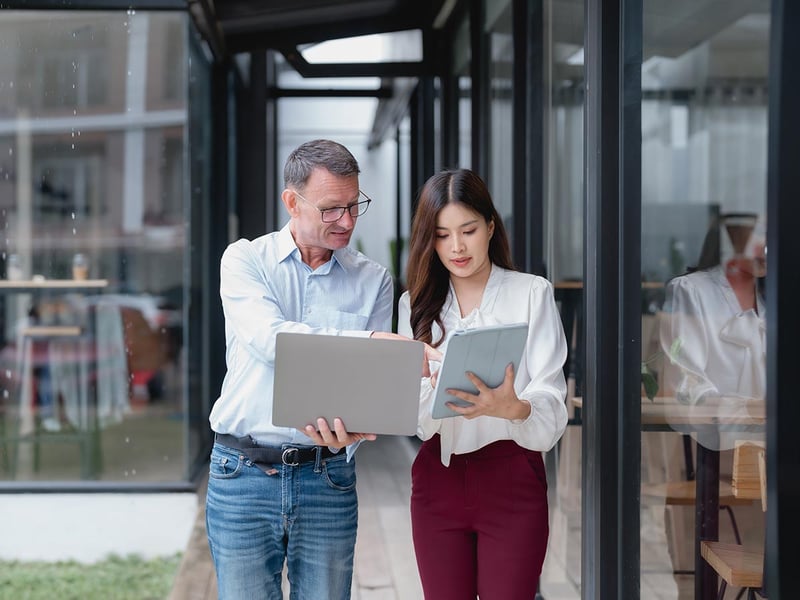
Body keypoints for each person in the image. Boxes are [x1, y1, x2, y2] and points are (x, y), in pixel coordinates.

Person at [206, 139, 393, 599]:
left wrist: (358, 427)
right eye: (332, 209)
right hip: (241, 476)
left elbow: (366, 386)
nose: (347, 221)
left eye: (354, 206)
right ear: (292, 201)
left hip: (326, 478)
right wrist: (366, 343)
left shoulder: (375, 280)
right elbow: (273, 342)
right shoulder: (244, 260)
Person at [398, 168, 569, 600]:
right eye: (441, 235)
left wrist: (512, 407)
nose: (456, 247)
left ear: (490, 227)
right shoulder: (414, 305)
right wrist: (430, 387)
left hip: (512, 478)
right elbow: (416, 420)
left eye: (468, 230)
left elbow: (550, 396)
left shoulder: (532, 294)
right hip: (438, 479)